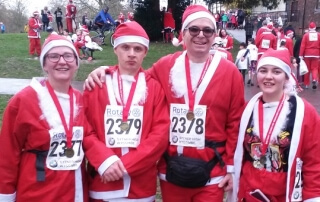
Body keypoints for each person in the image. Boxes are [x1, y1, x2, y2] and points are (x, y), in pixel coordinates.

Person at [85, 5, 245, 201]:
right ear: (183, 33)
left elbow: (235, 122)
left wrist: (231, 168)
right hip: (172, 170)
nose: (200, 35)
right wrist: (106, 70)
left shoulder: (230, 72)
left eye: (208, 30)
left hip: (212, 169)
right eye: (194, 29)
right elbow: (133, 77)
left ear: (214, 35)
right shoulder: (166, 65)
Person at [83, 21, 170, 201]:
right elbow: (85, 130)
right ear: (115, 49)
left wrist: (122, 166)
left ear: (145, 52)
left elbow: (159, 136)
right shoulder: (97, 84)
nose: (131, 54)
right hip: (102, 182)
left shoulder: (153, 87)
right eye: (125, 47)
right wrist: (105, 162)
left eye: (138, 49)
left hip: (140, 187)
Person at [0, 34, 91, 201]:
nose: (62, 61)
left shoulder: (81, 99)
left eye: (68, 56)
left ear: (76, 63)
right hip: (38, 192)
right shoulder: (23, 101)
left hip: (76, 191)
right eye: (54, 56)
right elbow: (7, 154)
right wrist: (5, 195)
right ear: (44, 64)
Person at [232, 49, 320, 202]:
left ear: (286, 77)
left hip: (284, 195)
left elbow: (314, 162)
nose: (268, 77)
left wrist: (312, 197)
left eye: (276, 71)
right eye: (263, 71)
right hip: (249, 193)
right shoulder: (247, 109)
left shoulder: (305, 113)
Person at [299, 22, 320, 89]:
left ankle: (306, 84)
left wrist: (301, 55)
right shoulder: (319, 35)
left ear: (309, 28)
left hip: (307, 54)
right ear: (315, 27)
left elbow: (303, 46)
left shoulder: (306, 35)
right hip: (316, 54)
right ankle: (314, 79)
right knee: (315, 68)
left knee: (306, 69)